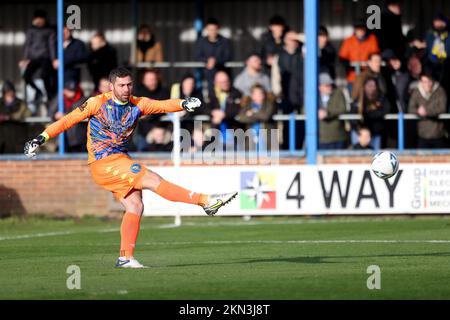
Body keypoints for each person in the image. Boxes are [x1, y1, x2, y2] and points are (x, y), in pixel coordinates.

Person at [24, 66, 238, 268]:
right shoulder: (96, 103)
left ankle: (125, 258)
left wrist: (183, 103)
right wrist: (40, 139)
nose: (126, 89)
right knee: (153, 179)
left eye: (129, 85)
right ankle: (206, 201)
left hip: (120, 159)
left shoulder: (138, 104)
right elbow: (67, 121)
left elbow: (162, 105)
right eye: (121, 85)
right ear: (111, 86)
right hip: (102, 162)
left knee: (135, 206)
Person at [19, 9, 57, 116]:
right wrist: (25, 58)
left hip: (45, 58)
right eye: (37, 20)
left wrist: (54, 59)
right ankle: (39, 92)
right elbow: (27, 45)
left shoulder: (49, 30)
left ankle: (49, 96)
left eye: (41, 19)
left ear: (44, 20)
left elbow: (51, 45)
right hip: (34, 58)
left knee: (45, 76)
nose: (39, 22)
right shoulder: (31, 30)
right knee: (26, 76)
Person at [408, 72, 448, 148]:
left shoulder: (440, 91)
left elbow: (442, 108)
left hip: (437, 133)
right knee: (421, 158)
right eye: (424, 82)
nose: (427, 84)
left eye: (429, 81)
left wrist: (427, 112)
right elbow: (410, 108)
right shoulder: (416, 92)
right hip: (422, 134)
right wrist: (418, 111)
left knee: (439, 158)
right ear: (421, 82)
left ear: (432, 81)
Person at [134, 69, 170, 151]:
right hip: (144, 129)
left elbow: (164, 110)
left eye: (153, 79)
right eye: (149, 80)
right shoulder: (138, 94)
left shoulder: (164, 92)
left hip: (162, 126)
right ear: (143, 81)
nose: (152, 82)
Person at [351, 77, 391, 150]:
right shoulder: (359, 99)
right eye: (369, 85)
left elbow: (386, 110)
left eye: (374, 85)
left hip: (375, 132)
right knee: (356, 155)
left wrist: (370, 114)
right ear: (364, 87)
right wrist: (359, 129)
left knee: (375, 156)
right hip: (360, 133)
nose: (372, 88)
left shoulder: (380, 97)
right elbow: (353, 114)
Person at [48, 81, 87, 153]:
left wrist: (65, 115)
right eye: (69, 90)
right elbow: (50, 112)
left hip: (77, 138)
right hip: (63, 136)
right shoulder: (60, 98)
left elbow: (79, 114)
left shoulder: (82, 99)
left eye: (73, 90)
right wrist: (55, 115)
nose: (72, 93)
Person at [338, 19, 380, 87]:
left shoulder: (372, 39)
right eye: (358, 28)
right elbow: (342, 57)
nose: (360, 30)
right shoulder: (348, 41)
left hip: (368, 76)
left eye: (362, 28)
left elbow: (375, 54)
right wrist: (348, 65)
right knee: (354, 96)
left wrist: (369, 63)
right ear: (355, 29)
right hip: (353, 77)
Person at [195, 18, 232, 90]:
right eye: (210, 29)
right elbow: (197, 56)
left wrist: (215, 61)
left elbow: (228, 56)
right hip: (207, 74)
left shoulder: (225, 41)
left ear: (218, 29)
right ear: (206, 29)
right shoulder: (201, 42)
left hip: (222, 73)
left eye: (214, 29)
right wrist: (207, 61)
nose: (212, 31)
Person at [235, 84, 275, 150]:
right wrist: (257, 116)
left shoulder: (269, 104)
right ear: (252, 95)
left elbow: (266, 116)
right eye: (256, 93)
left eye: (260, 93)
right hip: (251, 137)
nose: (259, 95)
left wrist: (253, 112)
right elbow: (241, 118)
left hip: (266, 137)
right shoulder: (247, 105)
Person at [317, 73, 348, 150]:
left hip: (338, 136)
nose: (329, 87)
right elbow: (305, 109)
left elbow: (343, 108)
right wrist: (316, 113)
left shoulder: (338, 93)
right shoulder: (313, 95)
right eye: (326, 85)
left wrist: (328, 113)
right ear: (320, 87)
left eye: (330, 85)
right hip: (321, 138)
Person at [0, 81, 31, 153]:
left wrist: (8, 117)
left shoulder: (20, 103)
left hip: (17, 139)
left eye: (11, 92)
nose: (10, 94)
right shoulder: (0, 103)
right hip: (2, 141)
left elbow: (26, 113)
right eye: (7, 93)